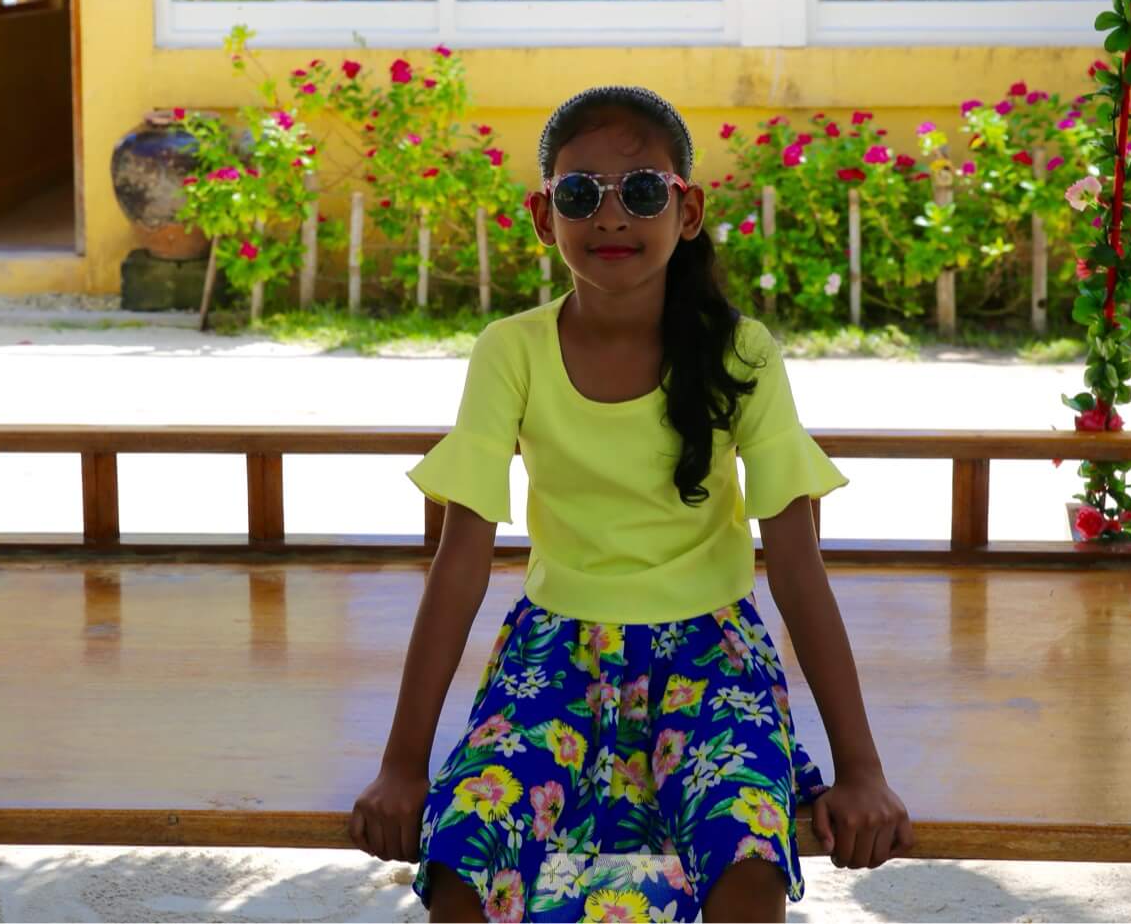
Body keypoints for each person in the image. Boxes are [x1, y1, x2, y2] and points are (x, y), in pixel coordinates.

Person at [348, 85, 913, 921]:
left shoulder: (740, 352)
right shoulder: (511, 352)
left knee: (749, 859)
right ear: (545, 218)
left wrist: (862, 770)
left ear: (685, 212)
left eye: (642, 190)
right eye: (580, 194)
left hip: (714, 659)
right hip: (553, 656)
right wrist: (403, 765)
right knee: (465, 854)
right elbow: (460, 565)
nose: (611, 216)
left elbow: (795, 570)